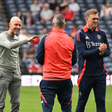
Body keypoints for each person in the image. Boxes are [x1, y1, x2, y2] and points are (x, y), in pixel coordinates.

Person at [36, 14, 77, 112]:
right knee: (67, 109)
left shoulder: (45, 38)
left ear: (53, 24)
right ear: (64, 25)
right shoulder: (71, 40)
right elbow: (74, 61)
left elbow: (39, 58)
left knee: (47, 110)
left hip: (49, 79)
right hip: (65, 80)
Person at [0, 16, 39, 112]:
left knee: (16, 104)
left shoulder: (17, 38)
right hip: (4, 73)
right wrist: (26, 41)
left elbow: (15, 56)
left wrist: (18, 71)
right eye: (16, 25)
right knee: (1, 104)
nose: (18, 27)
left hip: (15, 74)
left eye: (19, 25)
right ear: (10, 24)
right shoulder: (2, 36)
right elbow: (9, 45)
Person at [75, 9, 110, 112]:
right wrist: (98, 50)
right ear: (87, 19)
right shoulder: (80, 33)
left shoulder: (102, 33)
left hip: (100, 74)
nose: (96, 21)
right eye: (93, 18)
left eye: (97, 19)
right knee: (82, 103)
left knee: (101, 103)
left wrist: (102, 52)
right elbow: (82, 53)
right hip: (86, 74)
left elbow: (108, 51)